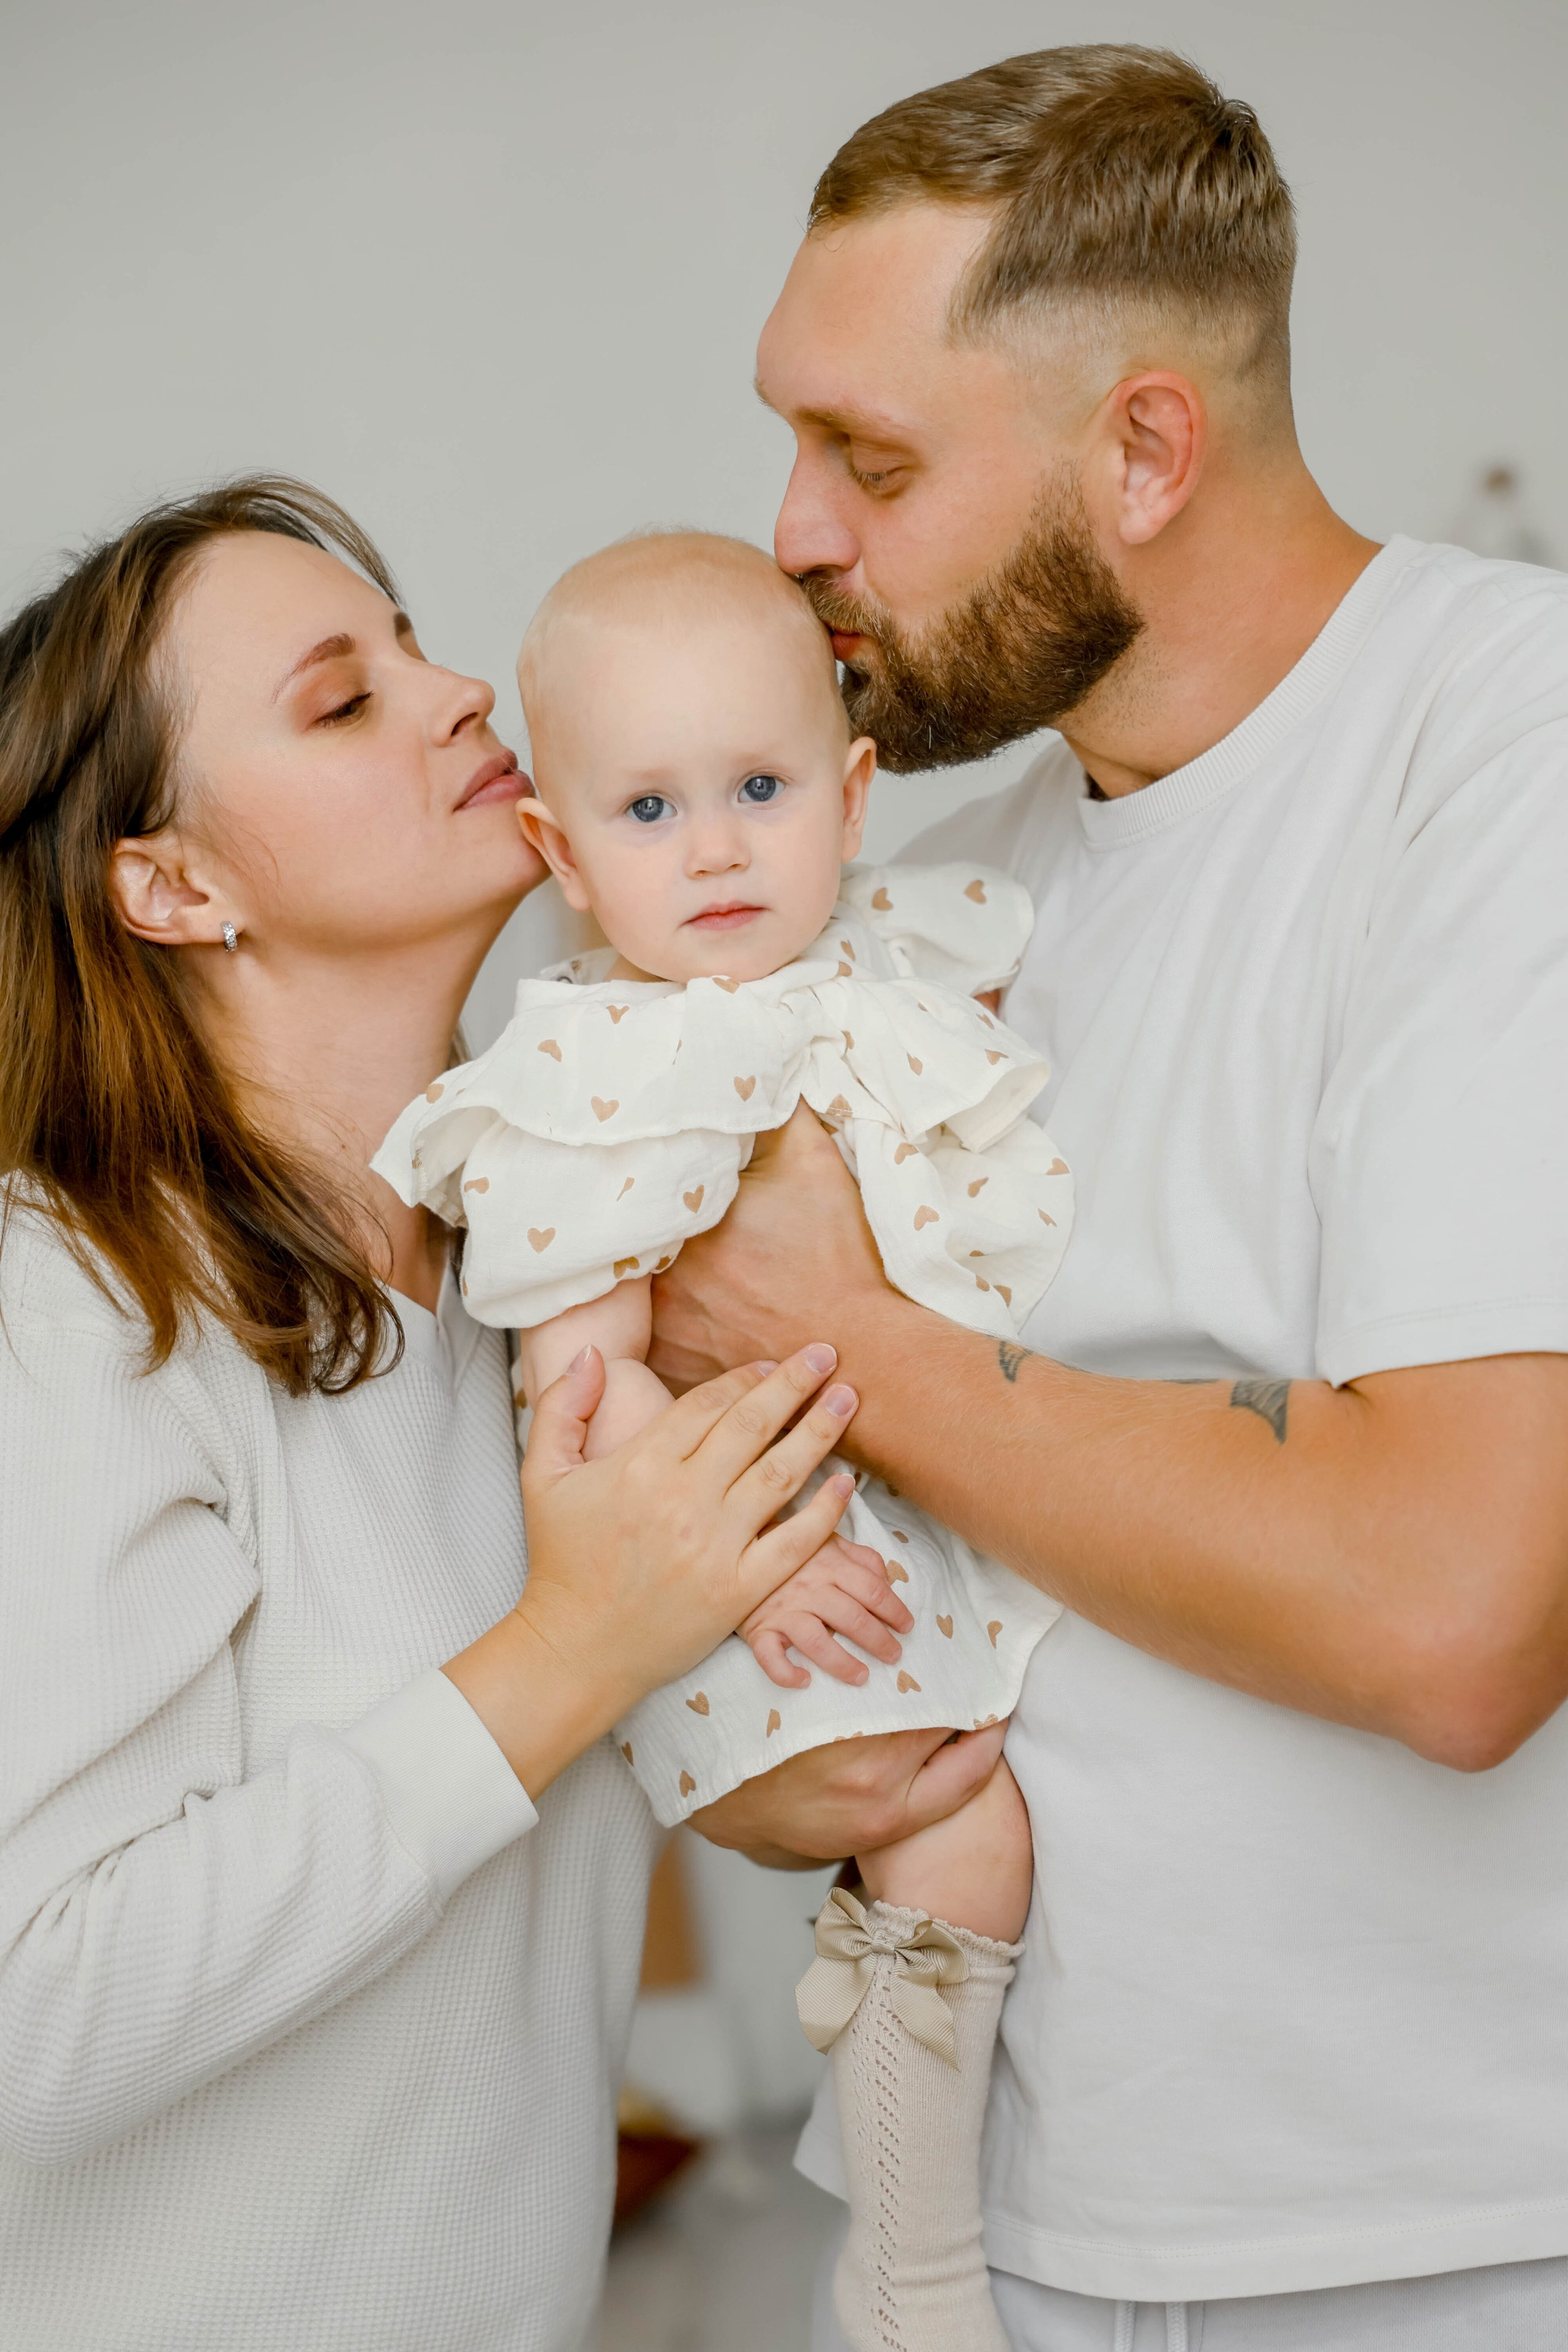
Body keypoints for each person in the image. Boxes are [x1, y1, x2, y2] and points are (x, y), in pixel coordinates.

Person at [651, 45, 1568, 2352]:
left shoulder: (1506, 750)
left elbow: (1457, 1608)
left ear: (1144, 448)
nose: (793, 533)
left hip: (1442, 2245)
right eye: (792, 441)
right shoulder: (938, 898)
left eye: (870, 459)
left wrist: (845, 1339)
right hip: (1012, 2227)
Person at [0, 476, 875, 2352]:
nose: (459, 691)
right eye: (345, 698)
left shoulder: (549, 1285)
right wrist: (573, 1649)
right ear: (172, 884)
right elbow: (31, 2019)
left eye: (415, 646)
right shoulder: (60, 1307)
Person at [374, 526, 1075, 2348]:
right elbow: (584, 1407)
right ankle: (913, 2264)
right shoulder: (594, 1077)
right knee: (964, 1826)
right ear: (564, 856)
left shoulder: (901, 962)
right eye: (652, 809)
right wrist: (737, 1579)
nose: (715, 849)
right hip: (749, 1562)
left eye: (762, 788)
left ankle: (899, 2065)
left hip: (931, 1494)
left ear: (850, 796)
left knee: (998, 1820)